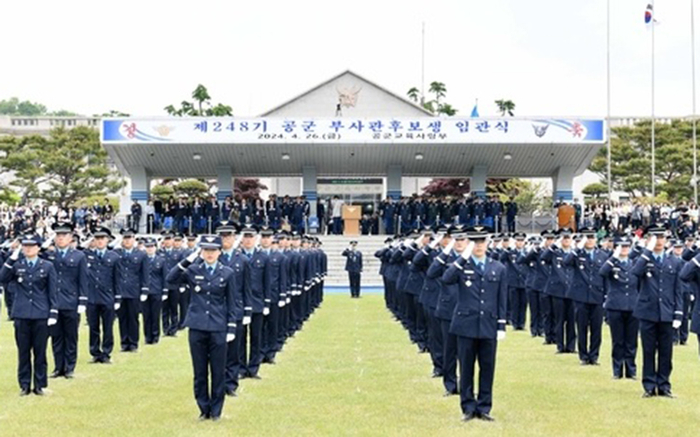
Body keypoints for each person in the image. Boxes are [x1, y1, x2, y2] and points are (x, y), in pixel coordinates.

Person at [166, 235, 240, 421]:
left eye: (213, 250)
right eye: (206, 250)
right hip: (197, 327)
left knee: (217, 371)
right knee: (199, 372)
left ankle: (216, 411)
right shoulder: (193, 270)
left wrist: (231, 328)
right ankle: (203, 408)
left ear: (219, 252)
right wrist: (188, 259)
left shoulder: (227, 273)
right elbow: (170, 279)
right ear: (201, 251)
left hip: (218, 327)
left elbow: (232, 303)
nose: (209, 254)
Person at [441, 227, 507, 422]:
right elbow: (446, 278)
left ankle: (484, 406)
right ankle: (468, 407)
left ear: (487, 243)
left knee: (487, 368)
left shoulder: (498, 268)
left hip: (488, 324)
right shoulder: (462, 265)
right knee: (467, 368)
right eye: (475, 242)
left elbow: (501, 299)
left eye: (481, 242)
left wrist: (501, 325)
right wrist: (462, 258)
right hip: (466, 325)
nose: (478, 246)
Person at [0, 233, 57, 396]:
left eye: (31, 246)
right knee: (23, 352)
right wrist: (11, 259)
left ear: (38, 248)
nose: (28, 248)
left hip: (41, 314)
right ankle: (24, 385)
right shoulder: (17, 265)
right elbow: (2, 278)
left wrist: (53, 312)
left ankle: (39, 385)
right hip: (22, 314)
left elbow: (52, 291)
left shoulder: (47, 266)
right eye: (25, 246)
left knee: (40, 351)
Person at [632, 225, 683, 398]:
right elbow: (635, 273)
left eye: (662, 237)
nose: (659, 241)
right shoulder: (643, 259)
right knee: (648, 351)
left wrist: (678, 313)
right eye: (655, 237)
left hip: (667, 312)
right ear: (648, 239)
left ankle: (664, 385)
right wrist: (647, 250)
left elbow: (678, 289)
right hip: (647, 311)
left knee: (666, 352)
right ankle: (649, 386)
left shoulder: (674, 261)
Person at [44, 222, 88, 379]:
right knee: (56, 337)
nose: (60, 238)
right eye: (58, 236)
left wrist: (82, 301)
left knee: (70, 336)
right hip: (53, 302)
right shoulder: (49, 255)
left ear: (71, 238)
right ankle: (58, 367)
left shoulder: (79, 256)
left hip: (71, 301)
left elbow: (83, 280)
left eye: (64, 236)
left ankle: (69, 367)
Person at [599, 235, 639, 379]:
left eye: (627, 246)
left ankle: (631, 370)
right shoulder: (611, 263)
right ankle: (617, 370)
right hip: (615, 306)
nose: (624, 249)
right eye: (622, 247)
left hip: (632, 306)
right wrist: (614, 258)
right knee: (617, 341)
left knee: (631, 341)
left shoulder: (634, 263)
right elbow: (602, 272)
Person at [114, 228, 149, 352]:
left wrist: (144, 290)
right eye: (125, 238)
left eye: (129, 238)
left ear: (134, 239)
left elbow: (144, 274)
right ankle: (124, 342)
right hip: (120, 290)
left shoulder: (141, 254)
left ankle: (133, 343)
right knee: (122, 318)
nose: (127, 241)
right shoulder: (116, 253)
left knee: (133, 318)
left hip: (134, 290)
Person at [143, 238, 168, 345]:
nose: (150, 249)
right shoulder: (142, 260)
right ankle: (147, 336)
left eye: (152, 246)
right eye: (148, 247)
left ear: (155, 247)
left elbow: (164, 276)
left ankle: (155, 335)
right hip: (144, 291)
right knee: (146, 315)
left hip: (156, 290)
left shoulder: (161, 260)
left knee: (155, 315)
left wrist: (165, 291)